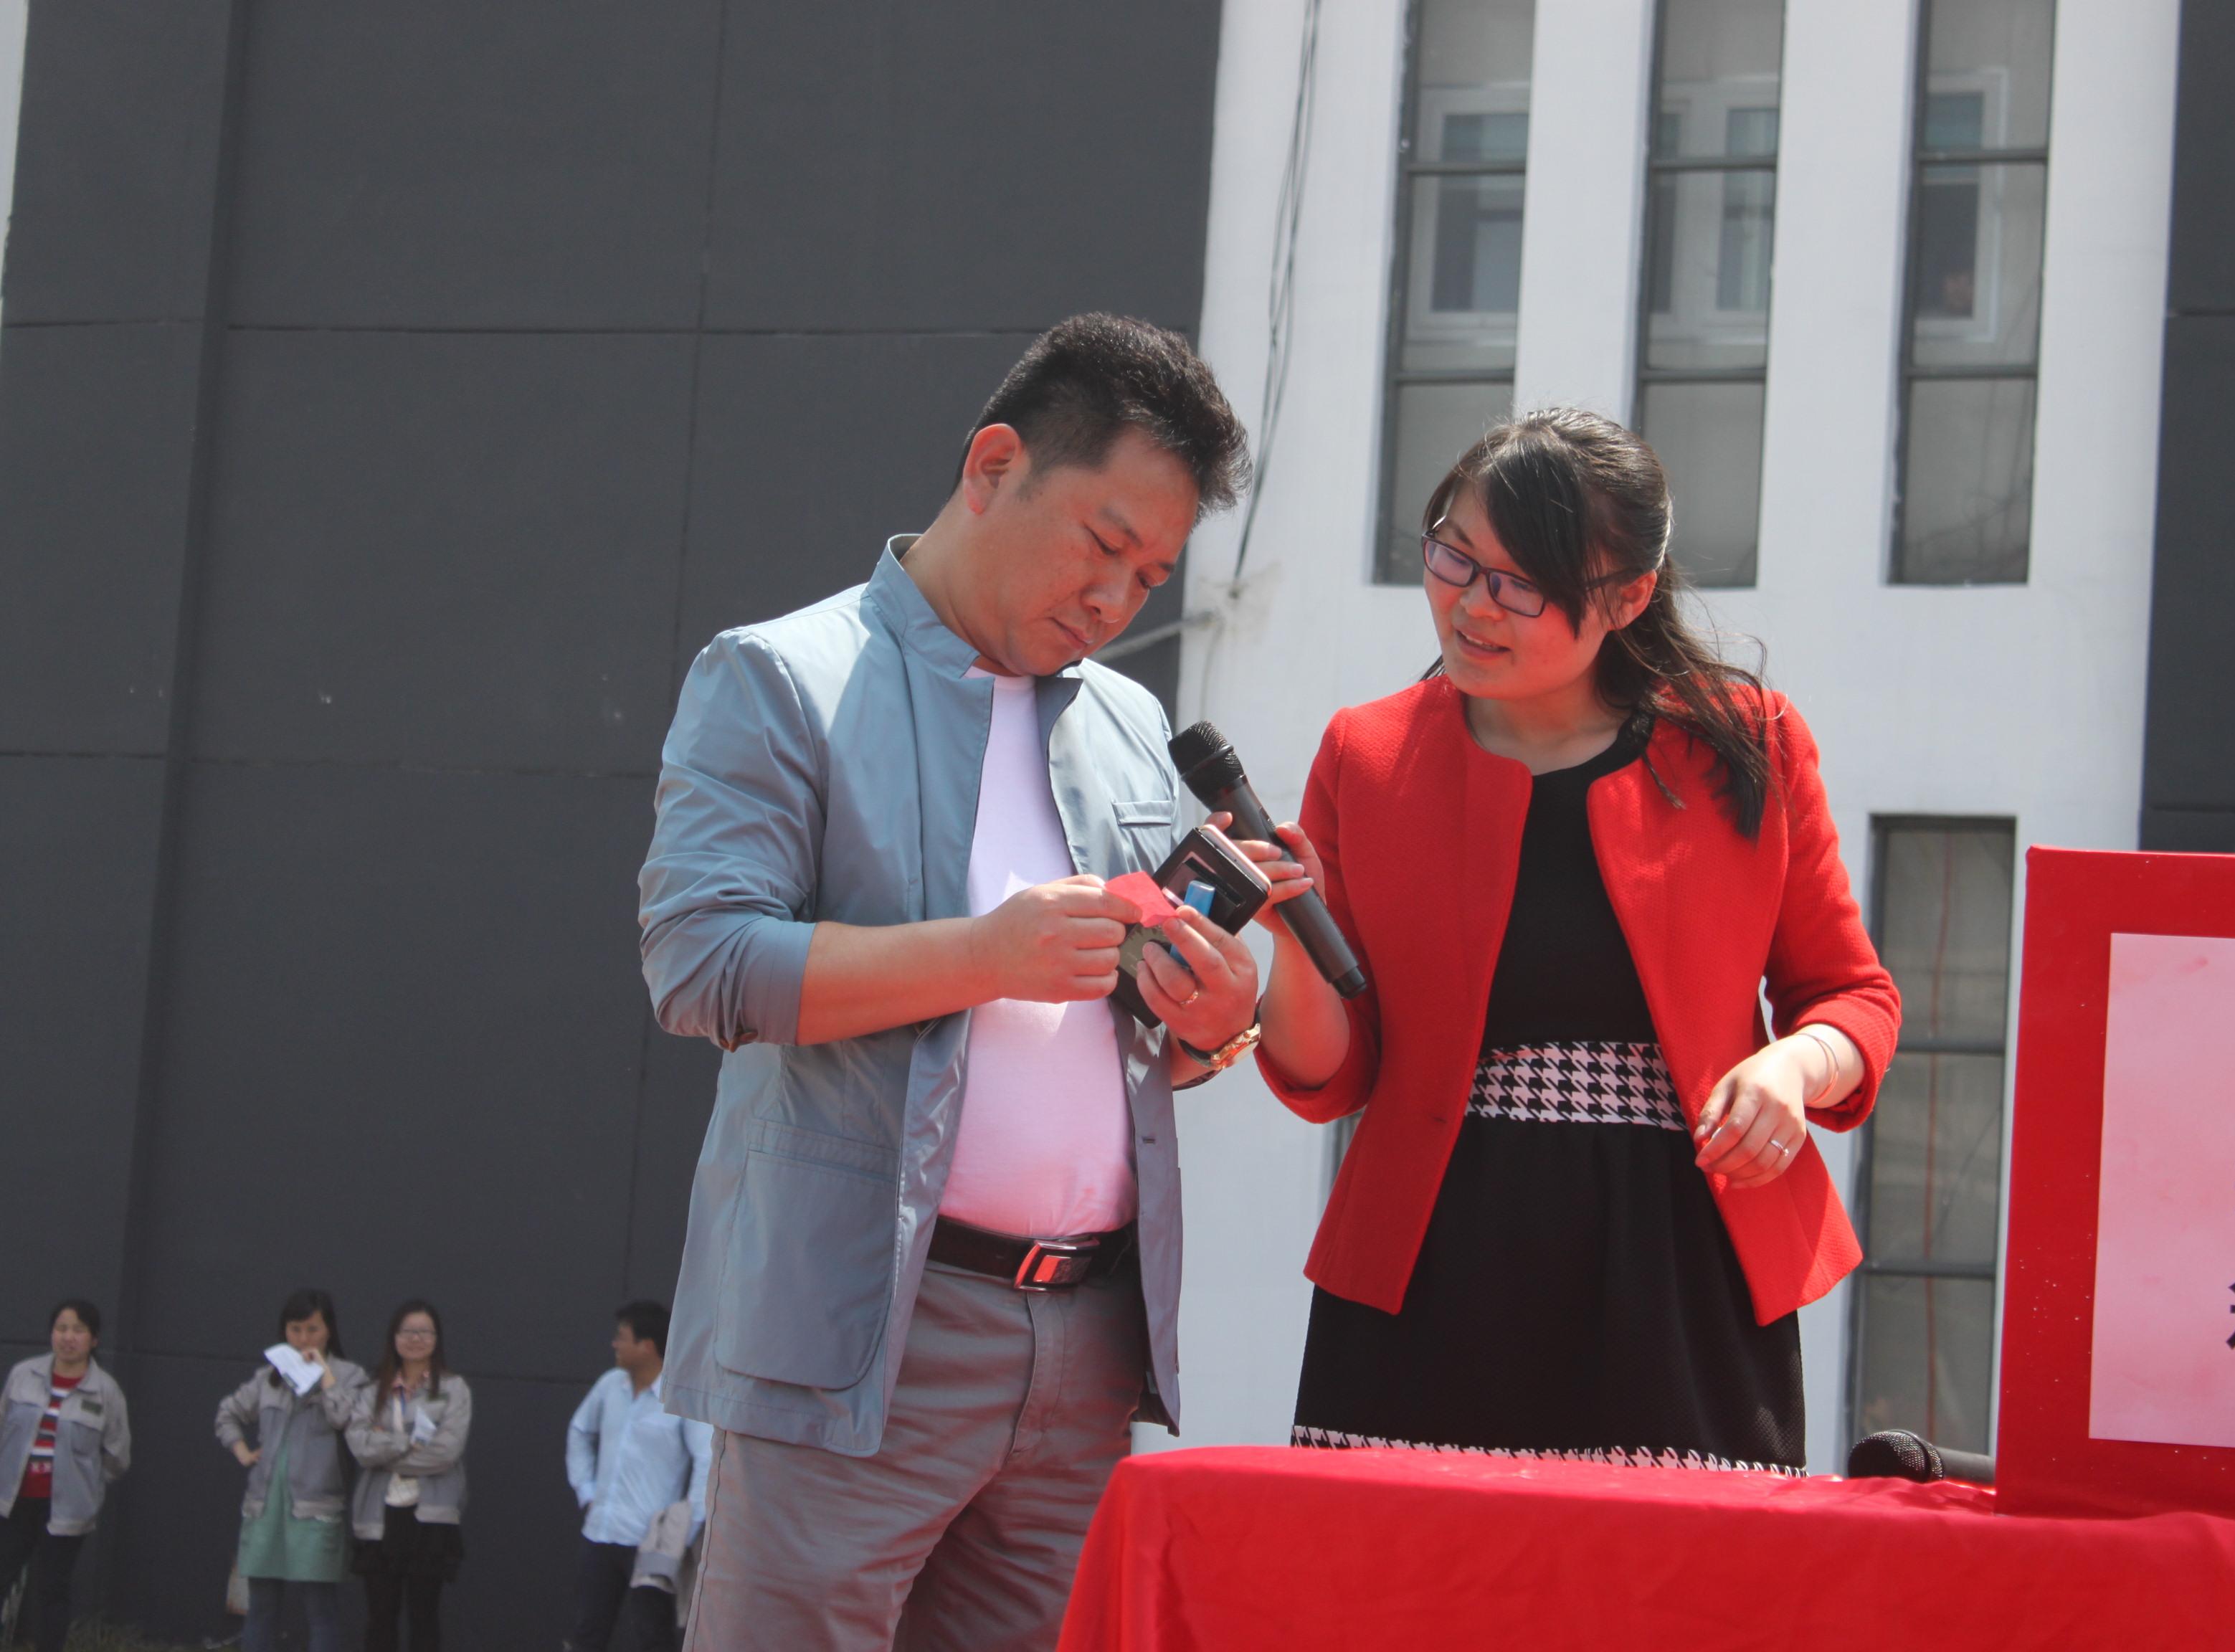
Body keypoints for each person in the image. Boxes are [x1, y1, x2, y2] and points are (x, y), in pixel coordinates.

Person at [637, 313, 1256, 1649]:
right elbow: (702, 963)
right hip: (861, 1324)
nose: (1115, 599)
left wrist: (1212, 1023)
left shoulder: (1129, 722)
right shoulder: (783, 676)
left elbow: (1129, 1034)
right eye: (1101, 543)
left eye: (1150, 574)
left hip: (1089, 1340)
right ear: (992, 466)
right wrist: (984, 955)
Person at [1240, 409, 1902, 1471]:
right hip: (1434, 1260)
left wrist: (1793, 1067)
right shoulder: (1367, 755)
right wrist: (1291, 942)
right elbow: (1336, 1072)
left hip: (1682, 1258)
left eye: (1522, 583)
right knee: (1408, 1564)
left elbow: (1852, 998)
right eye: (1454, 555)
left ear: (1629, 596)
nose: (1471, 603)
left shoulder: (1747, 744)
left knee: (1674, 1568)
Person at [217, 1288, 368, 1652]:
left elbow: (346, 1420)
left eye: (313, 1329)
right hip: (265, 1507)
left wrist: (325, 1377)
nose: (303, 1339)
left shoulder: (350, 1376)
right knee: (261, 1607)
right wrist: (241, 1450)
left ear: (329, 1330)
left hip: (316, 1510)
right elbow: (227, 1413)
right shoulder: (269, 1375)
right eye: (295, 1329)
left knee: (320, 1609)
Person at [564, 1302, 711, 1652]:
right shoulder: (609, 1385)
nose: (614, 1344)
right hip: (600, 1534)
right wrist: (587, 1492)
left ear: (647, 1346)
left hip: (650, 1544)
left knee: (651, 1636)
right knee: (586, 1634)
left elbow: (706, 1461)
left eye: (622, 1337)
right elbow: (579, 1431)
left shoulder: (679, 1396)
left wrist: (683, 1530)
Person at [0, 1300, 131, 1652]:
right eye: (61, 1329)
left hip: (66, 1511)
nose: (68, 1337)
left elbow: (117, 1457)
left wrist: (83, 1485)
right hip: (14, 1501)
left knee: (52, 1590)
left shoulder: (106, 1391)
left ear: (94, 1339)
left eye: (78, 1330)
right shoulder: (23, 1375)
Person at [346, 1301, 470, 1652]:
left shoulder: (454, 1389)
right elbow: (360, 1447)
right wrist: (406, 1444)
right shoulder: (373, 1390)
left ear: (437, 1338)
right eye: (408, 1331)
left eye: (425, 1331)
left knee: (424, 1616)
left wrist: (385, 1450)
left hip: (429, 1518)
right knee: (380, 1616)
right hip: (380, 1514)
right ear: (394, 1337)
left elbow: (445, 1453)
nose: (416, 1338)